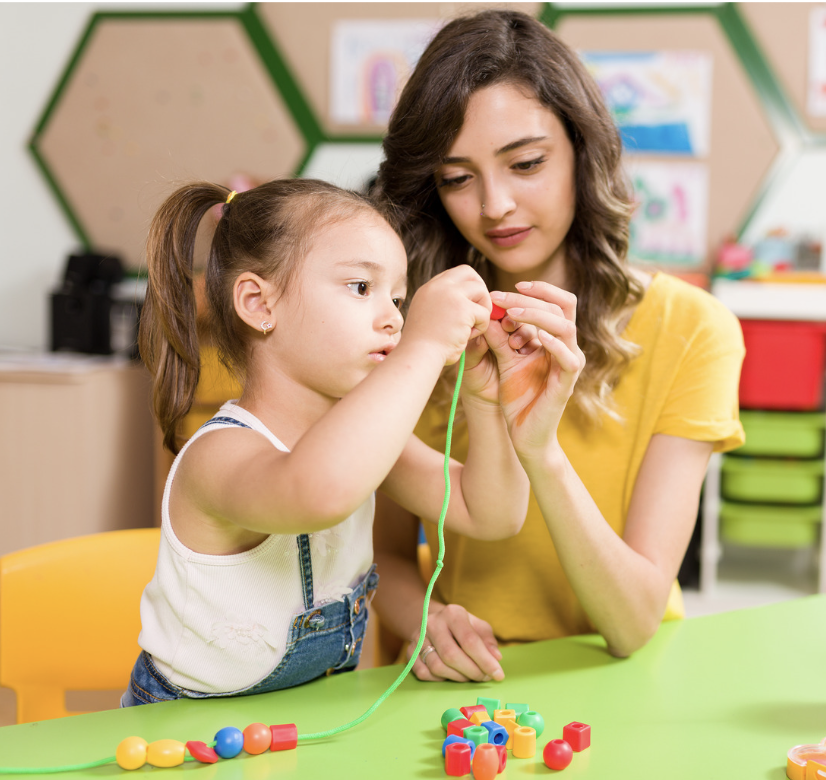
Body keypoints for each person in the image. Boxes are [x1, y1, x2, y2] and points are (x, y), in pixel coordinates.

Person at [371, 9, 746, 683]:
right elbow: (385, 558)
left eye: (527, 163)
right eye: (457, 178)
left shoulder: (693, 329)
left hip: (622, 681)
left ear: (584, 149)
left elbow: (633, 623)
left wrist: (539, 449)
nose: (496, 206)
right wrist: (422, 619)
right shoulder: (416, 329)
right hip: (464, 686)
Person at [122, 177, 544, 705]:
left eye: (399, 298)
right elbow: (317, 492)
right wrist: (426, 342)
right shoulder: (217, 457)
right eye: (361, 288)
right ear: (258, 303)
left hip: (306, 726)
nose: (394, 318)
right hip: (188, 741)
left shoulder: (360, 443)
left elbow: (493, 513)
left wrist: (485, 401)